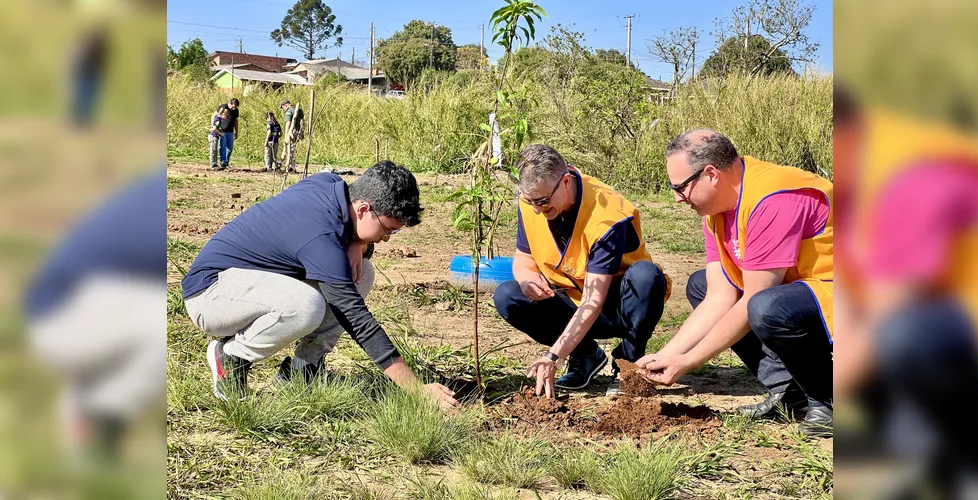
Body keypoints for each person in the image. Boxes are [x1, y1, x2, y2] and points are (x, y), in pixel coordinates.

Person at [180, 161, 459, 409]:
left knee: (363, 273)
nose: (387, 239)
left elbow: (339, 233)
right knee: (305, 306)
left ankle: (302, 371)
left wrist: (357, 240)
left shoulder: (331, 185)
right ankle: (231, 357)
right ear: (363, 208)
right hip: (211, 295)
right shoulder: (321, 235)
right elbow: (355, 318)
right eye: (388, 229)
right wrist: (415, 389)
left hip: (250, 284)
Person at [834, 86, 978, 489]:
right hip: (930, 323)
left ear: (847, 133)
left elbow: (890, 310)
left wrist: (831, 388)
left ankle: (975, 461)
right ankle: (919, 444)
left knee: (903, 334)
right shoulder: (851, 180)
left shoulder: (913, 172)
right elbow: (848, 292)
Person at [636, 129, 834, 438]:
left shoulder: (773, 199)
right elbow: (719, 296)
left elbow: (755, 297)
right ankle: (789, 392)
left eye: (680, 188)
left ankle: (829, 398)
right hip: (800, 289)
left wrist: (687, 362)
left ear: (711, 174)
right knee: (701, 286)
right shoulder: (716, 210)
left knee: (765, 306)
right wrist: (667, 356)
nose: (676, 198)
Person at [493, 144, 671, 398]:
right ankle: (586, 356)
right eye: (529, 200)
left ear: (565, 182)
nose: (536, 209)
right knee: (508, 295)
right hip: (569, 299)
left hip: (618, 306)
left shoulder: (606, 215)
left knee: (646, 277)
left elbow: (593, 301)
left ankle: (628, 364)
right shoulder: (532, 198)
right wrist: (526, 278)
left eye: (542, 201)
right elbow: (524, 256)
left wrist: (553, 355)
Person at [24, 168, 167, 460]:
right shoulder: (157, 204)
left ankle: (85, 414)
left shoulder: (148, 189)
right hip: (65, 316)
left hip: (65, 311)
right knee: (160, 321)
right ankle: (105, 410)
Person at [213, 98, 240, 170]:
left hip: (230, 131)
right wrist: (214, 125)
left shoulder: (235, 110)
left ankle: (226, 162)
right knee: (222, 147)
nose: (234, 108)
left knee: (230, 148)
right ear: (230, 103)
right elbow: (214, 115)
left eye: (235, 107)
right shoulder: (223, 107)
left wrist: (236, 131)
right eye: (233, 107)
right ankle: (223, 163)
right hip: (222, 131)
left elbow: (236, 121)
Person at [280, 99, 305, 173]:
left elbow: (288, 124)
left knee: (289, 149)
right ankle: (291, 166)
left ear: (285, 105)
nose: (283, 109)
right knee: (293, 149)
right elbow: (303, 121)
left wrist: (286, 135)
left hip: (291, 132)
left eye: (282, 107)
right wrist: (302, 132)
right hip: (298, 131)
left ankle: (290, 167)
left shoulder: (289, 111)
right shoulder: (299, 110)